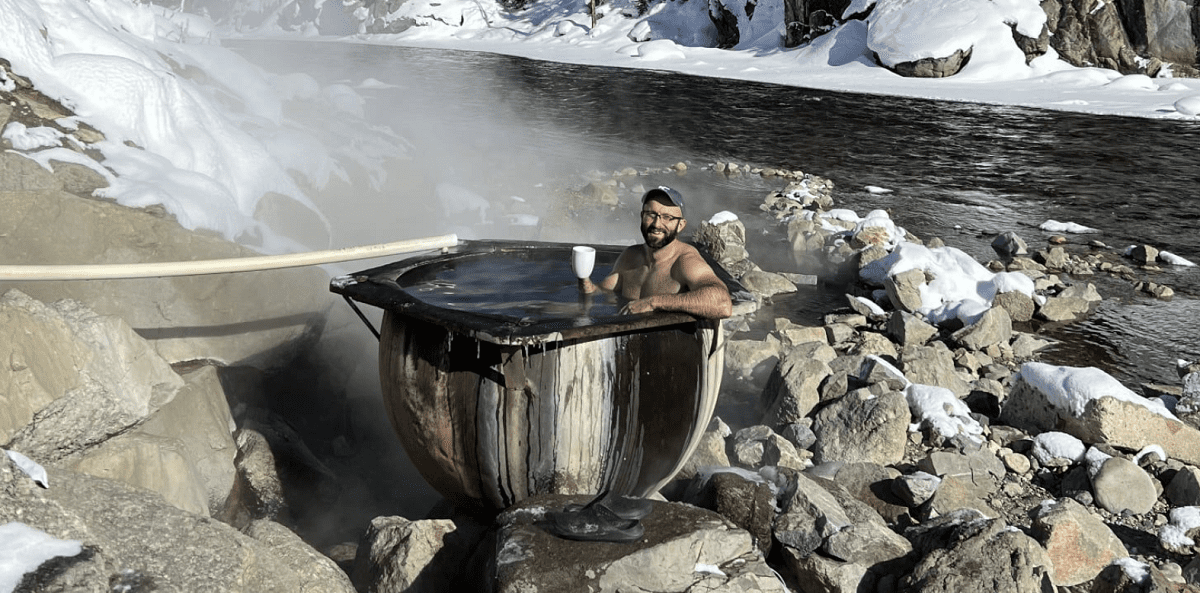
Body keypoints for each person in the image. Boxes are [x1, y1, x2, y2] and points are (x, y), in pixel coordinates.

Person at [579, 186, 733, 319]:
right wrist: (584, 280)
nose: (656, 224)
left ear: (680, 225)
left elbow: (723, 303)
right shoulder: (630, 256)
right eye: (651, 214)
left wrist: (653, 302)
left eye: (667, 217)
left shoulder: (685, 261)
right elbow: (601, 291)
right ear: (642, 216)